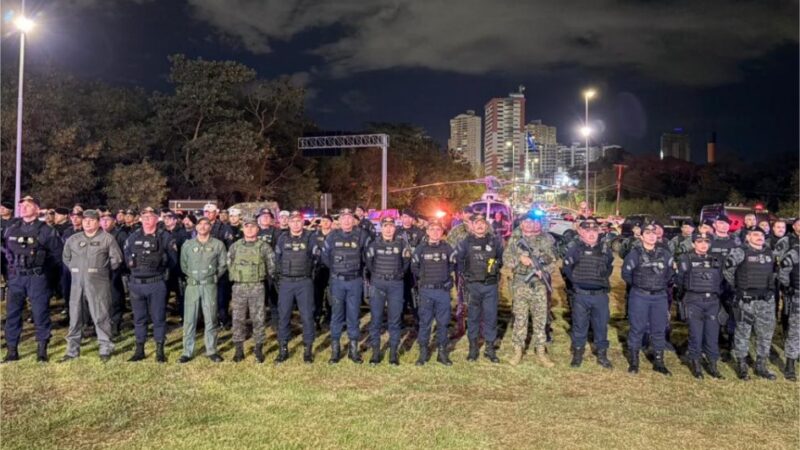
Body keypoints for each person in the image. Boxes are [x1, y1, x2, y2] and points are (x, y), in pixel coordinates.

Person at [2, 196, 60, 362]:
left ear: (37, 209)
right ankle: (12, 350)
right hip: (16, 277)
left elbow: (57, 256)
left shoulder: (46, 230)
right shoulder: (12, 228)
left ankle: (42, 350)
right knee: (13, 314)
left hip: (37, 277)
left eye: (28, 205)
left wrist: (47, 276)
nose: (24, 208)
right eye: (22, 205)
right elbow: (7, 251)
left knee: (40, 313)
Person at [60, 210, 123, 362]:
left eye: (91, 220)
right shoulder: (73, 239)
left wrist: (100, 271)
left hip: (98, 283)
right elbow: (66, 258)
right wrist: (76, 270)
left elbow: (116, 260)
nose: (87, 223)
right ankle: (72, 350)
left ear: (98, 222)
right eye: (85, 220)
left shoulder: (107, 239)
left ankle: (105, 348)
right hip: (77, 283)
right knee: (75, 316)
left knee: (101, 315)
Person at [123, 207, 178, 363]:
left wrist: (161, 271)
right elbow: (127, 256)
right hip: (136, 284)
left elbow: (173, 260)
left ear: (157, 219)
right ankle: (139, 349)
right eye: (144, 216)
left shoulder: (165, 237)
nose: (146, 219)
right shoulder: (133, 237)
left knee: (158, 318)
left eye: (150, 216)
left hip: (156, 283)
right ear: (140, 219)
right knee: (139, 318)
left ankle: (160, 350)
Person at [724, 227, 778, 380]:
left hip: (766, 301)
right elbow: (728, 271)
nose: (759, 237)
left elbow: (773, 273)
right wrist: (738, 287)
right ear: (748, 237)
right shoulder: (740, 252)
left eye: (761, 234)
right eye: (755, 234)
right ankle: (742, 366)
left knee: (765, 334)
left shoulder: (769, 253)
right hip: (746, 301)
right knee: (743, 333)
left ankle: (761, 366)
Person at [504, 213, 557, 367]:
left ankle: (540, 351)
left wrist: (544, 270)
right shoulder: (514, 240)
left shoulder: (545, 240)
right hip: (520, 283)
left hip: (539, 284)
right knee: (520, 318)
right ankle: (517, 350)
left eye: (533, 222)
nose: (529, 224)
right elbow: (507, 259)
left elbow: (553, 260)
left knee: (540, 318)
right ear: (521, 224)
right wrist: (520, 259)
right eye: (526, 222)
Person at [622, 221, 674, 375]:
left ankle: (659, 362)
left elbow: (670, 274)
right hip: (640, 296)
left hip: (659, 297)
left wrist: (658, 285)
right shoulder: (634, 254)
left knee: (659, 329)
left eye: (654, 234)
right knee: (637, 329)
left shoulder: (665, 254)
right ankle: (634, 362)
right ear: (642, 236)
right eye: (648, 234)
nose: (652, 236)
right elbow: (626, 274)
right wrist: (641, 285)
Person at [562, 218, 614, 369]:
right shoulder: (575, 249)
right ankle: (578, 354)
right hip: (581, 295)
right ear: (581, 232)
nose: (591, 234)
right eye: (587, 231)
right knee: (579, 325)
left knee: (601, 325)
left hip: (600, 296)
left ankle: (602, 355)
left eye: (594, 231)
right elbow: (567, 269)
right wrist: (577, 282)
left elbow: (609, 268)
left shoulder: (605, 250)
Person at [321, 208, 370, 364]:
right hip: (337, 281)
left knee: (353, 315)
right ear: (339, 220)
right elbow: (325, 257)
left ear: (353, 220)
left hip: (355, 281)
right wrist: (338, 270)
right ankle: (335, 351)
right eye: (344, 218)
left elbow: (366, 257)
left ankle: (353, 350)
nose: (347, 221)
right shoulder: (332, 236)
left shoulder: (362, 235)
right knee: (336, 314)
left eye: (350, 218)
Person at [454, 213, 504, 363]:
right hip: (473, 285)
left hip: (490, 286)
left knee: (491, 317)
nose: (480, 225)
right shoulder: (465, 242)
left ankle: (489, 348)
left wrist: (495, 268)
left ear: (486, 225)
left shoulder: (495, 241)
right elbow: (459, 261)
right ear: (472, 226)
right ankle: (473, 348)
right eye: (477, 223)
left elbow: (501, 259)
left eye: (483, 223)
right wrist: (466, 277)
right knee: (474, 317)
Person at [675, 232, 724, 379]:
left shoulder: (716, 259)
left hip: (712, 302)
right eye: (700, 241)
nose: (703, 244)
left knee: (712, 334)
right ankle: (696, 364)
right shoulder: (685, 259)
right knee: (695, 334)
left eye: (706, 241)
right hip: (693, 300)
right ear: (693, 243)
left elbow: (720, 280)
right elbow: (680, 280)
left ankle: (713, 365)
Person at [179, 217, 227, 363]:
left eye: (206, 224)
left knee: (211, 317)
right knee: (189, 319)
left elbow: (223, 265)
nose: (203, 227)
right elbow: (184, 265)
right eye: (200, 224)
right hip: (192, 286)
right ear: (196, 227)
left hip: (209, 285)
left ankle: (211, 350)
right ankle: (187, 351)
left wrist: (212, 277)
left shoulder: (218, 245)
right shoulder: (188, 245)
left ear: (210, 227)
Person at [228, 216, 276, 363]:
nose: (249, 229)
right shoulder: (235, 246)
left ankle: (258, 349)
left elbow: (272, 267)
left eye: (252, 226)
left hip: (257, 286)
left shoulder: (264, 247)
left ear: (258, 229)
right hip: (239, 286)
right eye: (246, 226)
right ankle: (239, 350)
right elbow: (229, 264)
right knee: (238, 319)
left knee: (258, 318)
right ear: (243, 229)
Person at [364, 216, 411, 365]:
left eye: (391, 226)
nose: (389, 229)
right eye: (386, 226)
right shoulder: (373, 244)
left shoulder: (402, 244)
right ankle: (376, 353)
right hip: (378, 284)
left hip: (395, 285)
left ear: (394, 228)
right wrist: (379, 275)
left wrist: (396, 275)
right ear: (381, 228)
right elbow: (369, 264)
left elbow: (406, 264)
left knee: (395, 320)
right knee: (376, 320)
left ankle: (393, 354)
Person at [411, 219, 455, 366]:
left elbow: (452, 265)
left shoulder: (447, 248)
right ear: (427, 231)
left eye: (438, 229)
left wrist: (447, 279)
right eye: (432, 229)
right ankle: (423, 352)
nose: (435, 232)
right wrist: (424, 279)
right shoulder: (421, 248)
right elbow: (414, 267)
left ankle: (442, 353)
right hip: (426, 291)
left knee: (443, 323)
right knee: (425, 323)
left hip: (442, 291)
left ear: (442, 232)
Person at [273, 211, 316, 364]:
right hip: (286, 282)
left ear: (303, 222)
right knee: (283, 316)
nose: (296, 224)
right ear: (288, 223)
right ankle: (283, 349)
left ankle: (308, 349)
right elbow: (277, 260)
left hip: (304, 282)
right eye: (293, 221)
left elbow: (316, 259)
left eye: (299, 221)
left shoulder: (310, 237)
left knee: (307, 316)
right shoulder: (282, 238)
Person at [99, 209, 129, 337]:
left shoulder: (120, 235)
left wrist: (120, 269)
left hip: (115, 272)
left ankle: (116, 323)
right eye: (102, 220)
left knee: (115, 298)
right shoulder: (98, 235)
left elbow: (125, 254)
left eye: (108, 220)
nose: (105, 223)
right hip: (100, 273)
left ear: (114, 221)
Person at [777, 234, 799, 381]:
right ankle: (790, 365)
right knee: (795, 332)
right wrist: (788, 287)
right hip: (798, 296)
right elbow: (782, 272)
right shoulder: (795, 252)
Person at [397, 209, 424, 326]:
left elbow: (422, 249)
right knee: (400, 295)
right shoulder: (396, 232)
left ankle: (417, 319)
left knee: (414, 295)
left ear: (412, 219)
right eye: (404, 217)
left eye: (408, 217)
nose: (406, 219)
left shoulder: (419, 232)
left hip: (413, 270)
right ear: (401, 218)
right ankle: (400, 319)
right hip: (400, 268)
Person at [311, 214, 333, 329]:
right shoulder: (314, 235)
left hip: (330, 268)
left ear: (331, 223)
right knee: (317, 295)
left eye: (327, 221)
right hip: (318, 269)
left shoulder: (335, 235)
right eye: (323, 221)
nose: (325, 223)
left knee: (330, 295)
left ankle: (329, 317)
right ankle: (317, 317)